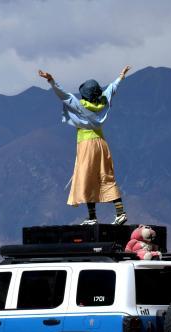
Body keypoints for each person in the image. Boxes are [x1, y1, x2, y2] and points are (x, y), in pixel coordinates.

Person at [38, 66, 131, 225]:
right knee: (106, 176)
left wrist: (51, 80)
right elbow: (111, 89)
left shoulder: (80, 105)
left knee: (87, 178)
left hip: (86, 145)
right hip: (101, 143)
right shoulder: (103, 102)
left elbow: (63, 95)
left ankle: (92, 217)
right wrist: (121, 76)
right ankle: (120, 213)